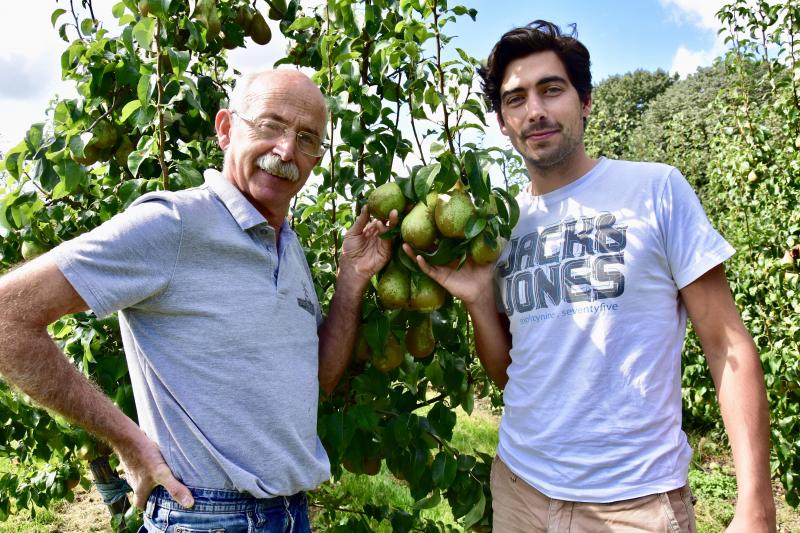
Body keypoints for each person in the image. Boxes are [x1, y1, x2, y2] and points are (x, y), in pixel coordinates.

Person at [405, 21, 776, 532]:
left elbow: (727, 345)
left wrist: (756, 504)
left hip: (636, 503)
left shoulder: (656, 190)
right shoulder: (501, 228)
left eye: (551, 90)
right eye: (515, 99)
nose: (534, 110)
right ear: (502, 121)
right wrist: (476, 300)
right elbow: (514, 374)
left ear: (585, 101)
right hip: (521, 489)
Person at [0, 69, 396, 532]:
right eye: (270, 126)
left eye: (307, 139)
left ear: (316, 159)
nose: (286, 150)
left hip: (290, 514)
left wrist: (351, 279)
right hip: (204, 516)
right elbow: (8, 315)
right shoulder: (173, 224)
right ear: (226, 129)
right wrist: (128, 441)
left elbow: (316, 382)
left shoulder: (288, 247)